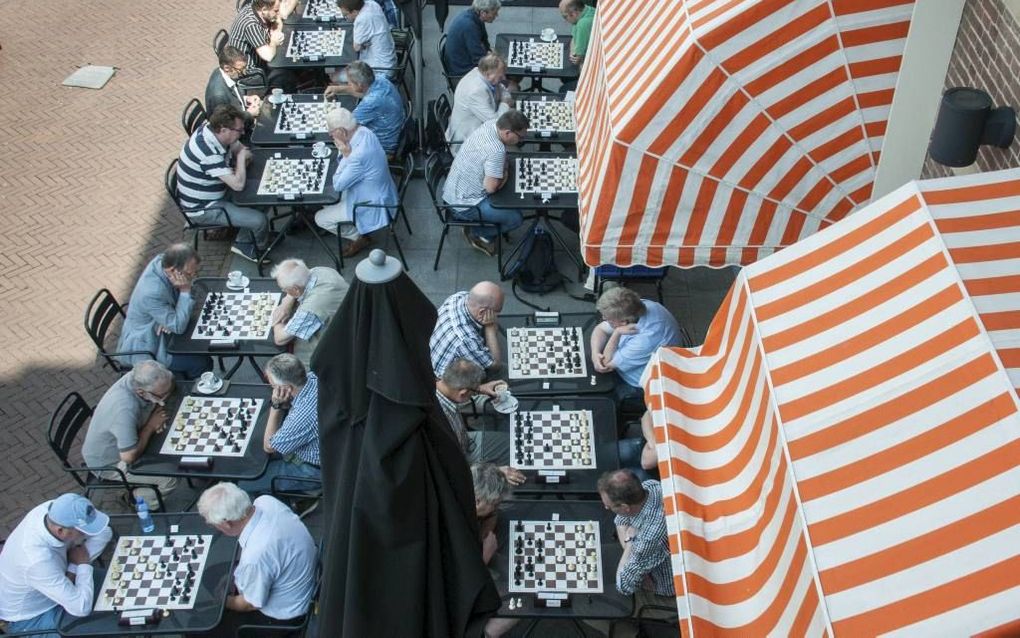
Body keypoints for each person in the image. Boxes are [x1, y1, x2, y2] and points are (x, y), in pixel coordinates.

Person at [197, 483, 317, 636]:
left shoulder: (255, 556)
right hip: (297, 578)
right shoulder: (266, 501)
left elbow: (250, 604)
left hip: (282, 617)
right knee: (211, 575)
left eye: (213, 524)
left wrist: (223, 601)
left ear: (227, 523)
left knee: (198, 627)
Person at [0, 494, 113, 637]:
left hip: (59, 580)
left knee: (117, 591)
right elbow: (81, 607)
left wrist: (73, 570)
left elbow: (104, 532)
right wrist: (82, 565)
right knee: (109, 625)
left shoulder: (54, 509)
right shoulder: (36, 560)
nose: (86, 534)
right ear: (61, 531)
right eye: (83, 531)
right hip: (32, 618)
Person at [176, 104, 271, 263]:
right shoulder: (208, 153)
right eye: (238, 130)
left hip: (218, 191)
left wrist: (240, 153)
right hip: (205, 208)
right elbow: (238, 184)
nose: (242, 133)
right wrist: (240, 157)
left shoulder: (212, 131)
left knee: (264, 195)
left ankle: (245, 236)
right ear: (223, 129)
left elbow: (241, 148)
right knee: (260, 221)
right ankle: (250, 247)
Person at [81, 360, 179, 508]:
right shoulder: (124, 409)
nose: (165, 400)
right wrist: (150, 427)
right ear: (141, 392)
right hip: (110, 462)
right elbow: (128, 457)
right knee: (169, 479)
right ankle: (136, 500)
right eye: (162, 396)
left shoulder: (136, 377)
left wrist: (151, 423)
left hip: (130, 437)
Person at [116, 243, 213, 378]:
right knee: (202, 362)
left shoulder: (163, 262)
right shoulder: (152, 292)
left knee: (206, 340)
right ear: (173, 271)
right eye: (190, 274)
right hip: (150, 345)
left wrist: (168, 314)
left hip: (164, 331)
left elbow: (176, 321)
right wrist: (185, 290)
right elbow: (178, 327)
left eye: (195, 272)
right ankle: (191, 392)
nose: (193, 278)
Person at [313, 108, 397, 257]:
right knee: (326, 199)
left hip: (369, 202)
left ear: (341, 131)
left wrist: (345, 154)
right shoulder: (365, 131)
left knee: (320, 218)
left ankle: (358, 237)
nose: (330, 134)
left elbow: (338, 184)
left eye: (331, 131)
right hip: (381, 190)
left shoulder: (357, 156)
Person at [442, 110, 527, 256]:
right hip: (464, 205)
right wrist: (504, 173)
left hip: (452, 191)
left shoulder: (491, 124)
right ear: (507, 133)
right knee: (516, 219)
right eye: (520, 137)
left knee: (511, 197)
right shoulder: (496, 150)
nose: (521, 141)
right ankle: (478, 233)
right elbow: (491, 188)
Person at [590, 287, 686, 411]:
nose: (604, 318)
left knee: (597, 400)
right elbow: (600, 329)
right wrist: (594, 353)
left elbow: (604, 366)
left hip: (641, 386)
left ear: (624, 322)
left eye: (608, 318)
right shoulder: (641, 306)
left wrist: (616, 334)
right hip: (635, 361)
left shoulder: (646, 340)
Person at [236, 354, 321, 495]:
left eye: (273, 385)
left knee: (243, 484)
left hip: (312, 470)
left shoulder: (301, 417)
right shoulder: (313, 377)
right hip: (330, 450)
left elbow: (269, 446)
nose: (272, 389)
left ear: (286, 389)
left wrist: (276, 406)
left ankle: (299, 499)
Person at [436, 358, 525, 486]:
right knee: (518, 449)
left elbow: (459, 391)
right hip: (463, 464)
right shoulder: (439, 421)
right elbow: (449, 468)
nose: (475, 394)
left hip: (466, 441)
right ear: (463, 393)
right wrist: (496, 471)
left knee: (514, 442)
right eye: (473, 392)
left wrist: (480, 388)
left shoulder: (436, 384)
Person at [598, 470, 674, 599]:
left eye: (609, 506)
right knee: (598, 556)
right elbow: (621, 520)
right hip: (641, 561)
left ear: (625, 507)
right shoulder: (651, 486)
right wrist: (632, 553)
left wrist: (630, 544)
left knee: (585, 602)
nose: (606, 508)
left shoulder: (649, 538)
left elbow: (624, 586)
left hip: (662, 590)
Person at [270, 258, 349, 365]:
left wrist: (276, 316)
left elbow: (280, 339)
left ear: (295, 289)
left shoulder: (310, 310)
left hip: (336, 342)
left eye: (284, 289)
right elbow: (298, 283)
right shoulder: (320, 271)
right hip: (348, 315)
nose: (283, 292)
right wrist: (285, 304)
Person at [471, 463, 517, 638]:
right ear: (477, 501)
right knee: (520, 599)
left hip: (477, 556)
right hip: (453, 603)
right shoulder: (457, 524)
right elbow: (461, 581)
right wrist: (486, 554)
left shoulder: (463, 486)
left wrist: (497, 472)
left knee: (516, 575)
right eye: (495, 503)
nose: (496, 507)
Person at [325, 61, 404, 155]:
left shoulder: (371, 102)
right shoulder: (380, 79)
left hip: (384, 145)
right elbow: (362, 92)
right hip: (395, 129)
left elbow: (346, 127)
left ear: (359, 84)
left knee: (339, 139)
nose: (348, 84)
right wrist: (338, 89)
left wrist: (332, 114)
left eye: (350, 83)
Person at [430, 281, 505, 378]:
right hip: (443, 380)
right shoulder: (467, 339)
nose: (497, 316)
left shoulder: (458, 297)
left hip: (431, 353)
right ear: (482, 312)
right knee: (503, 372)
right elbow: (495, 365)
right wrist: (489, 327)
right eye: (497, 312)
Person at [447, 53, 512, 149]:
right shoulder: (476, 91)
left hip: (480, 126)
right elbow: (496, 123)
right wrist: (505, 104)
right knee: (512, 142)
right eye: (501, 76)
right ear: (488, 74)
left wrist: (505, 99)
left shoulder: (481, 73)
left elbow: (502, 89)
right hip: (467, 142)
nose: (504, 78)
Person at [228, 0, 296, 92]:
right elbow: (268, 56)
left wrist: (276, 29)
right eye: (276, 11)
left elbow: (278, 20)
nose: (278, 13)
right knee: (287, 72)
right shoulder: (251, 24)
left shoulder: (257, 8)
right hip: (250, 72)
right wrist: (273, 41)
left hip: (260, 59)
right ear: (264, 10)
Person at [205, 45, 262, 125]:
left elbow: (233, 97)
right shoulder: (219, 96)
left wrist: (246, 99)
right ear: (227, 68)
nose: (244, 73)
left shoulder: (222, 72)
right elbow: (227, 124)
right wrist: (249, 114)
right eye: (240, 70)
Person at [338, 0, 397, 76]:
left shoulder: (362, 19)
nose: (346, 18)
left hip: (380, 70)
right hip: (388, 61)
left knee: (336, 75)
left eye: (346, 15)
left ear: (355, 12)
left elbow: (356, 47)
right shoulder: (372, 4)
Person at [444, 0, 501, 77]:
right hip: (462, 72)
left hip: (463, 62)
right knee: (503, 71)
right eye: (494, 13)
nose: (496, 15)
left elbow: (485, 44)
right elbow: (479, 60)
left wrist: (489, 53)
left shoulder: (475, 16)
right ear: (483, 13)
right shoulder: (470, 26)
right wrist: (496, 61)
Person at [558, 0, 595, 90]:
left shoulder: (583, 24)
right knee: (565, 76)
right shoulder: (588, 10)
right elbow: (573, 38)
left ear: (573, 14)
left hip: (591, 70)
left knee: (564, 86)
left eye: (564, 17)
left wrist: (574, 53)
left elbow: (577, 58)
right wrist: (573, 50)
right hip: (588, 60)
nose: (565, 21)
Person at [617, 411, 657, 482]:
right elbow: (646, 416)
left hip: (651, 474)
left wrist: (655, 442)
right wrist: (653, 442)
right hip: (642, 446)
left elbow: (647, 462)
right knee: (600, 455)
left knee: (612, 483)